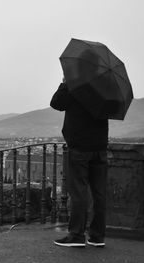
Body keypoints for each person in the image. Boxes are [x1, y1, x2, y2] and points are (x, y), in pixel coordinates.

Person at [50, 75, 108, 248]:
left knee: (79, 192)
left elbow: (56, 103)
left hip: (80, 147)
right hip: (100, 146)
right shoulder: (105, 86)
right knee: (99, 193)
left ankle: (76, 235)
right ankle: (97, 236)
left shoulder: (76, 86)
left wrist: (65, 82)